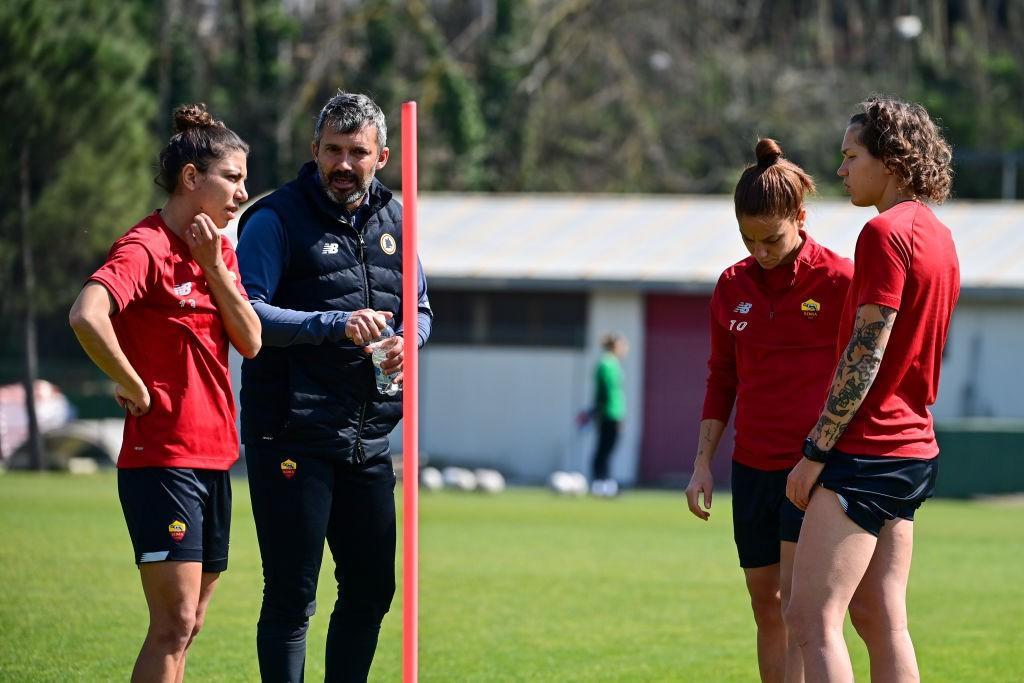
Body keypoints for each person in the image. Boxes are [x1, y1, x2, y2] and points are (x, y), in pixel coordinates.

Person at [235, 91, 432, 682]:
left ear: (383, 156)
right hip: (291, 431)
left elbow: (420, 309)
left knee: (371, 590)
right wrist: (333, 325)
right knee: (293, 597)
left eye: (358, 153)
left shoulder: (400, 221)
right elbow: (249, 316)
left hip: (367, 436)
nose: (343, 164)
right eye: (332, 151)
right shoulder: (274, 219)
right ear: (313, 151)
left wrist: (406, 340)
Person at [68, 104, 260, 682]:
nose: (242, 193)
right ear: (191, 178)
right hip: (163, 460)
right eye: (233, 178)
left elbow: (250, 340)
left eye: (245, 181)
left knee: (190, 625)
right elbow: (86, 315)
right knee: (172, 624)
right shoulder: (144, 247)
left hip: (215, 458)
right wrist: (129, 382)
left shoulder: (217, 251)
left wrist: (213, 265)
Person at [784, 97, 959, 682]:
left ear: (890, 160)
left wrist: (814, 452)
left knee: (810, 616)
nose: (841, 170)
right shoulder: (940, 235)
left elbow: (867, 353)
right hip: (913, 449)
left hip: (869, 450)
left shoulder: (884, 233)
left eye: (851, 156)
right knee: (883, 619)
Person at [685, 139, 853, 683]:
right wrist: (702, 462)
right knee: (765, 606)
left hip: (814, 469)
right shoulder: (731, 286)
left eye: (772, 238)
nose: (760, 249)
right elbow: (721, 378)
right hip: (750, 467)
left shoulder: (840, 281)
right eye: (748, 238)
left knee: (798, 608)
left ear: (800, 218)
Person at [588, 333, 628, 497]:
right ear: (615, 346)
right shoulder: (608, 364)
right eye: (622, 346)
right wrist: (612, 414)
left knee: (606, 450)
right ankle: (602, 484)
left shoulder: (609, 363)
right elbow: (607, 392)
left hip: (610, 413)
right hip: (610, 413)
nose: (625, 349)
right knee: (605, 449)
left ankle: (605, 484)